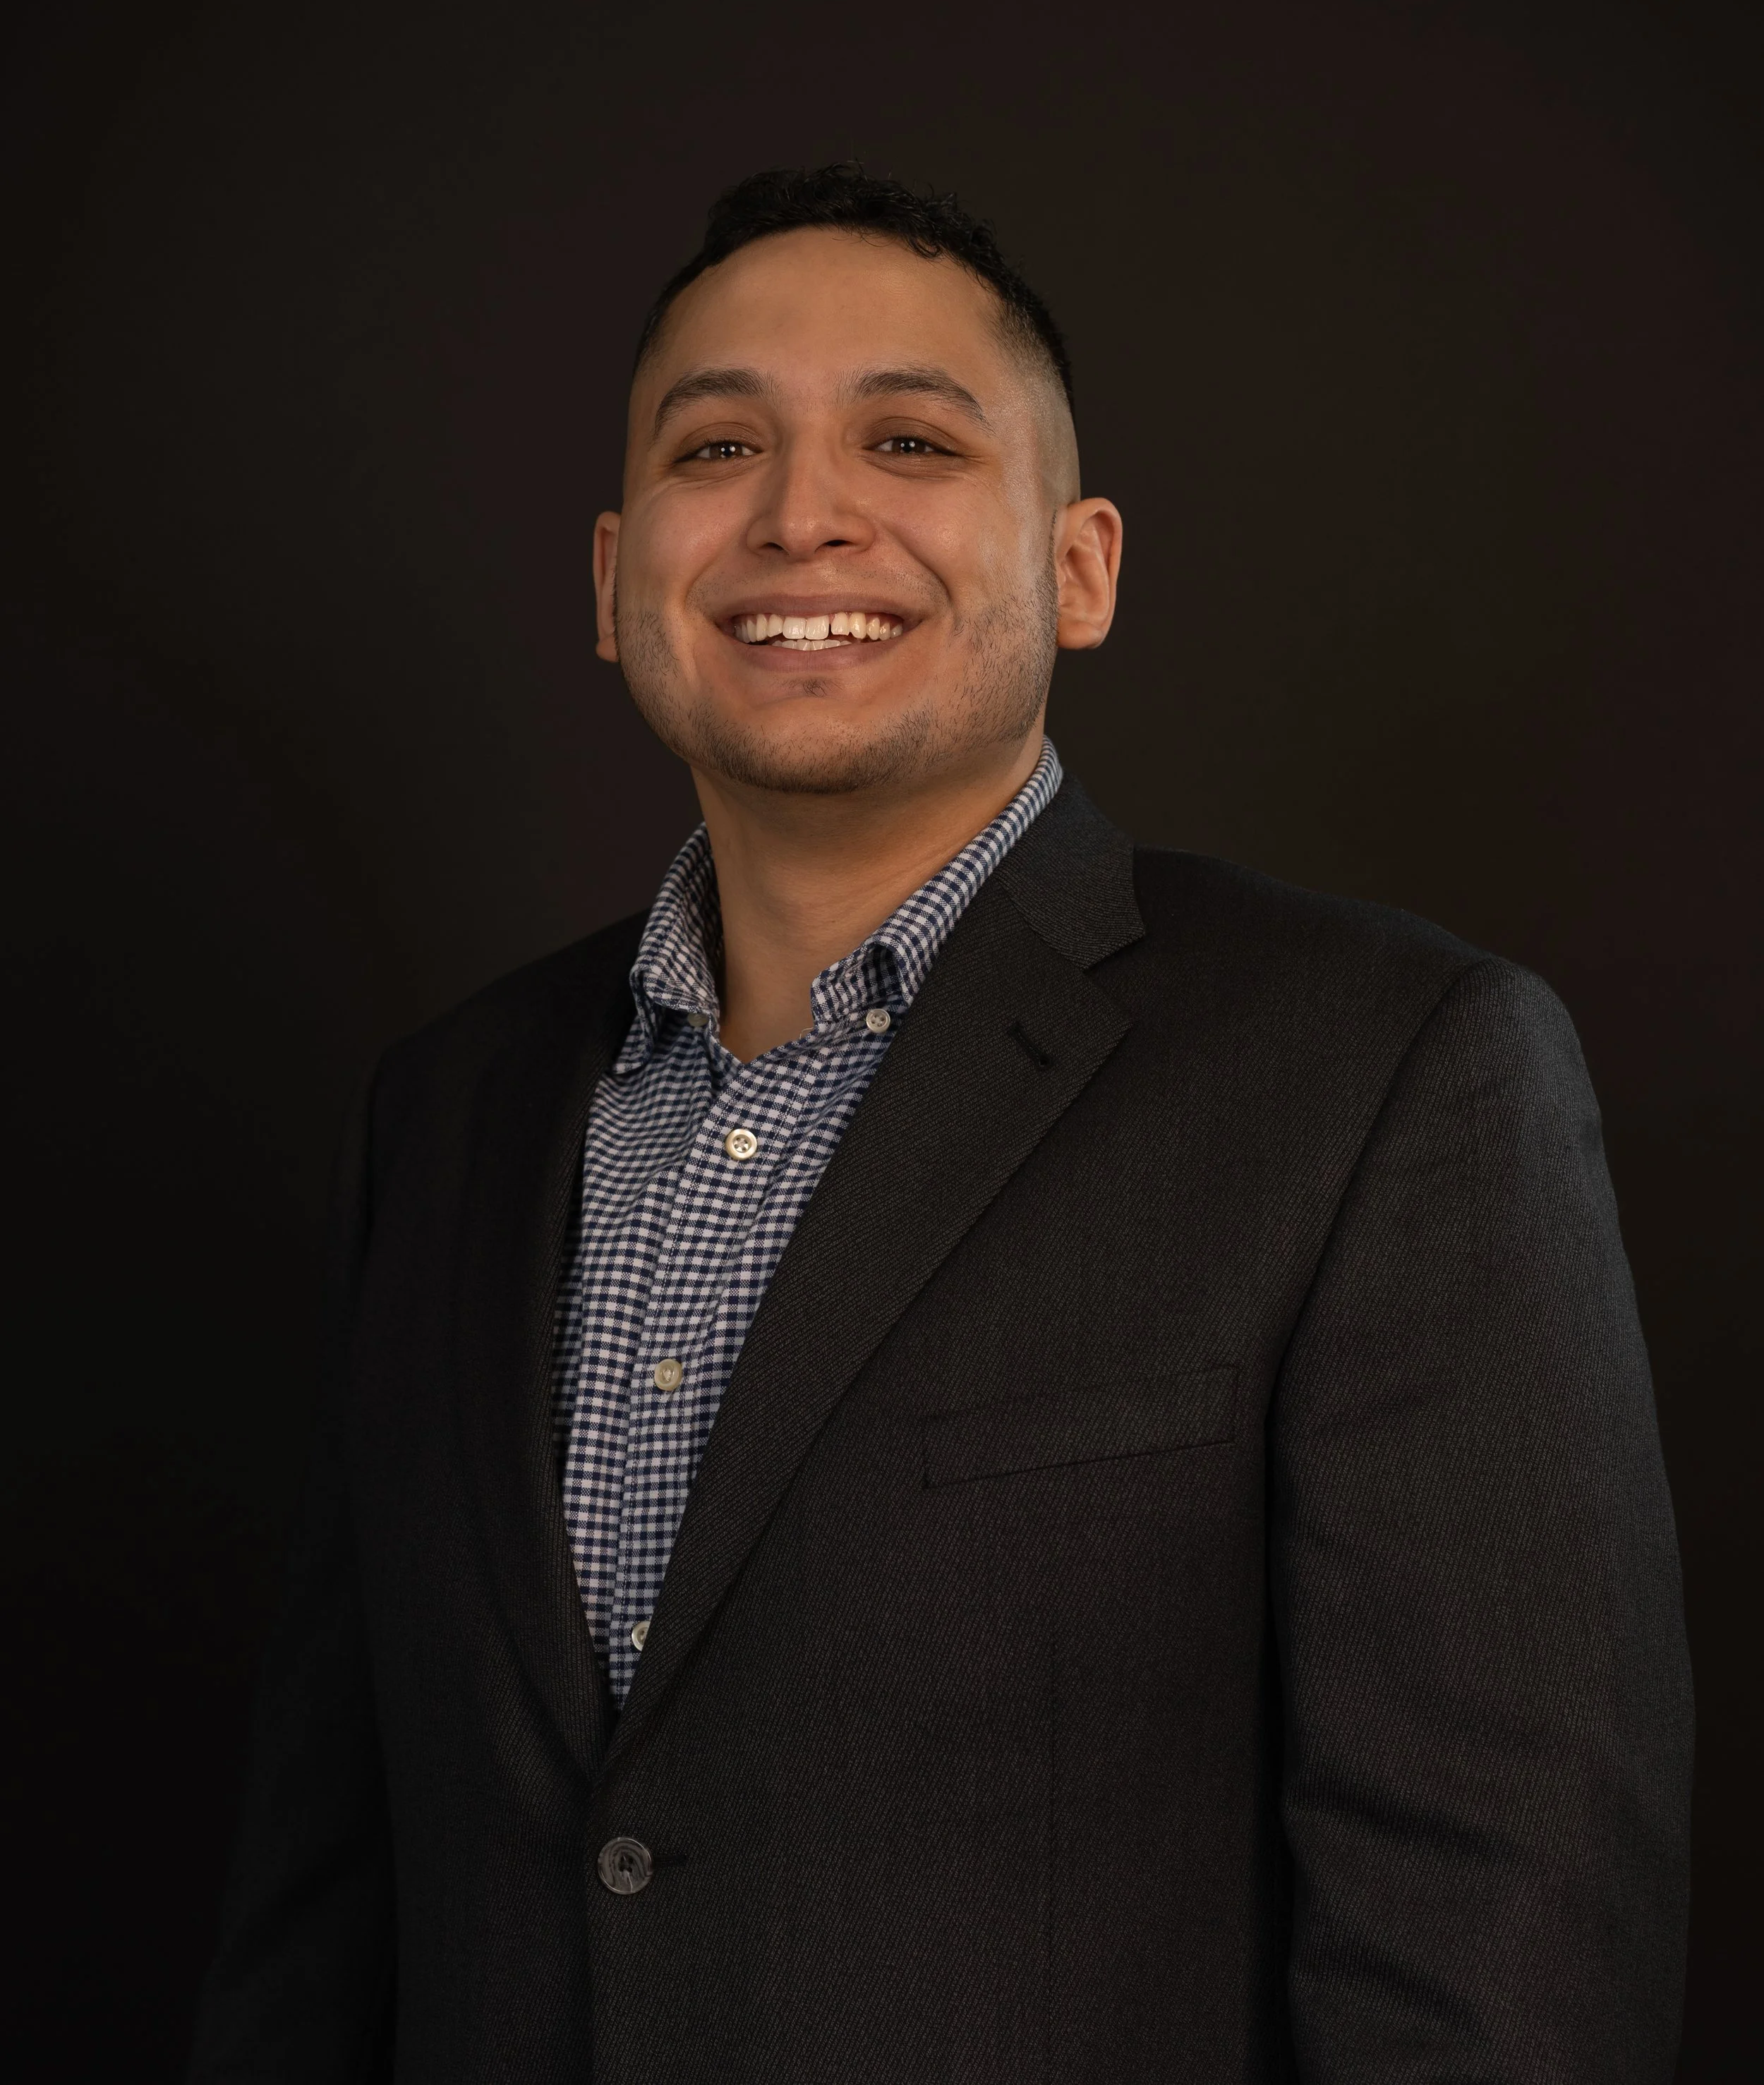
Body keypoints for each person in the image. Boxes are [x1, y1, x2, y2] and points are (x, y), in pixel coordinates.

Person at [188, 164, 1693, 2084]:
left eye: (905, 437)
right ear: (609, 578)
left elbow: (1505, 1928)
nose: (801, 512)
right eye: (715, 443)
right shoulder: (448, 1111)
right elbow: (321, 1911)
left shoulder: (1385, 1072)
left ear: (1080, 565)